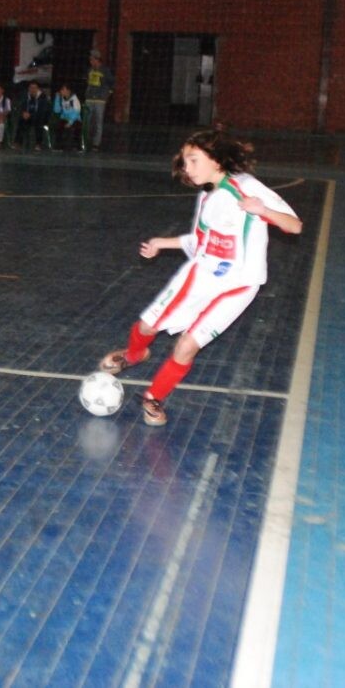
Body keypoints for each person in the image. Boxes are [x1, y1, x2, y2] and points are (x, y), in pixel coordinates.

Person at [99, 128, 302, 426]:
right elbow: (200, 242)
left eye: (193, 160)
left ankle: (153, 397)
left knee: (186, 345)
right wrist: (162, 244)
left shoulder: (247, 187)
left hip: (240, 285)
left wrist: (264, 210)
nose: (186, 168)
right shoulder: (207, 199)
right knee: (147, 324)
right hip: (201, 275)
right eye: (184, 161)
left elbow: (294, 226)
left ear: (217, 160)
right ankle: (134, 353)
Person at [85, 49, 114, 151]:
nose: (91, 62)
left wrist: (108, 94)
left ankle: (96, 144)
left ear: (97, 60)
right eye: (90, 60)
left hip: (100, 100)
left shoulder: (105, 70)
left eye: (92, 59)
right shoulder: (89, 70)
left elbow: (112, 83)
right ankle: (86, 140)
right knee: (87, 121)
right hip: (89, 98)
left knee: (98, 121)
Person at [16, 80, 51, 151]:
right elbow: (21, 107)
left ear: (38, 89)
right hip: (27, 117)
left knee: (39, 123)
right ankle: (18, 143)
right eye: (31, 88)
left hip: (39, 117)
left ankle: (38, 144)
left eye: (34, 88)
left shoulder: (43, 97)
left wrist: (31, 115)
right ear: (28, 88)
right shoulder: (25, 96)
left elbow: (43, 111)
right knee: (21, 121)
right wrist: (23, 113)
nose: (32, 90)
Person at [52, 83, 82, 151]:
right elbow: (56, 111)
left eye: (63, 89)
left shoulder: (74, 99)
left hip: (75, 119)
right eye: (61, 90)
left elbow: (77, 112)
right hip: (64, 118)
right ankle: (58, 146)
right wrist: (57, 98)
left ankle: (77, 146)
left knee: (74, 127)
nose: (61, 91)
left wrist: (70, 122)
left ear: (68, 91)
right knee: (58, 126)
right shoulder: (61, 99)